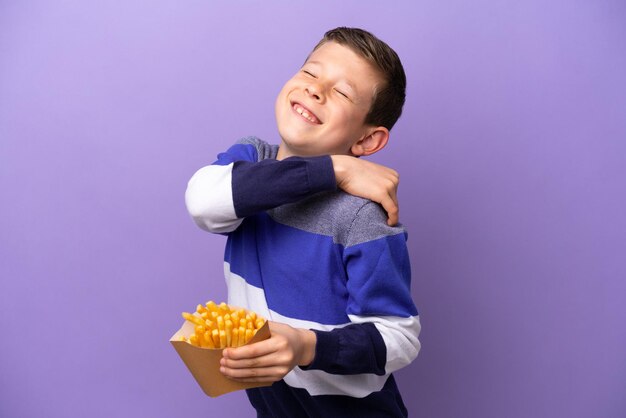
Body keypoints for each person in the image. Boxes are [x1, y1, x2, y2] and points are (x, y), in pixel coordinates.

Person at [185, 27, 421, 417]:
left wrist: (305, 346)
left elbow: (400, 337)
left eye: (342, 92)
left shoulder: (360, 215)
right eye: (311, 73)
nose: (316, 90)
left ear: (366, 141)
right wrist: (333, 168)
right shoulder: (249, 164)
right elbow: (202, 202)